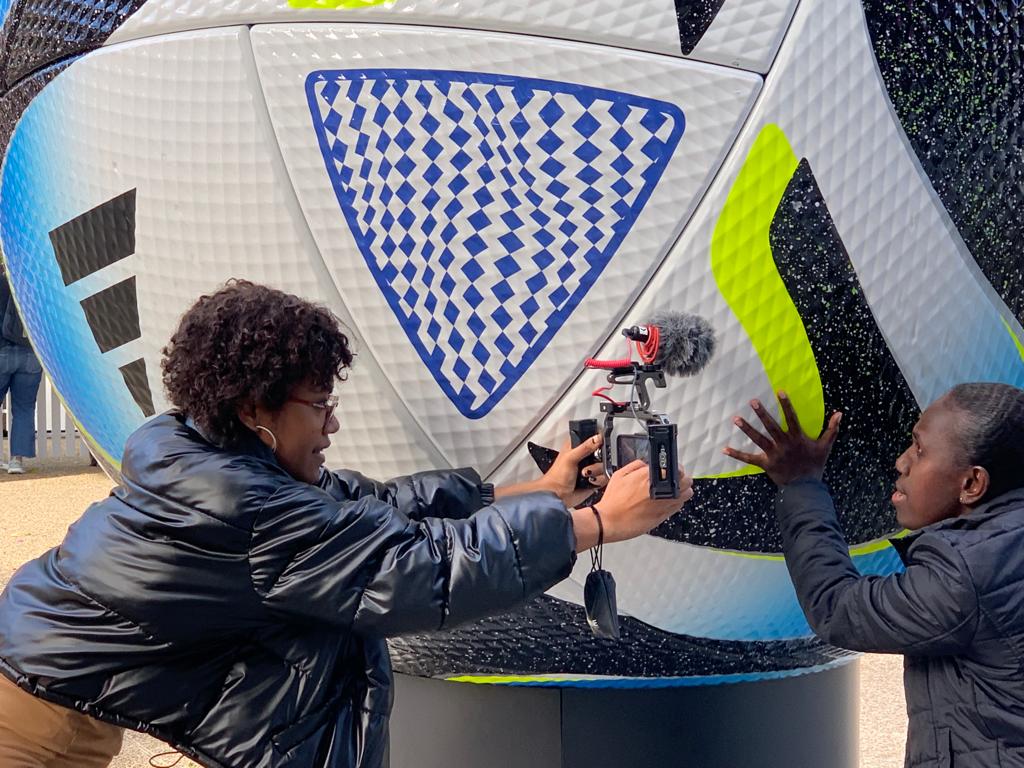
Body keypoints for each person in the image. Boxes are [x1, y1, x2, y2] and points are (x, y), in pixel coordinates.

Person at [0, 279, 691, 768]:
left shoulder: (201, 453)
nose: (332, 425)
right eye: (319, 404)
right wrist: (598, 524)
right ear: (254, 409)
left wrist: (534, 490)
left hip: (45, 678)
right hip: (34, 720)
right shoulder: (248, 509)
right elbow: (422, 570)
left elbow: (367, 509)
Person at [724, 383, 1024, 768]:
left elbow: (837, 608)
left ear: (971, 484)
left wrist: (800, 485)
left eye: (920, 450)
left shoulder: (967, 572)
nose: (902, 462)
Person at [0, 262, 43, 475]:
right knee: (25, 409)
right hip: (31, 355)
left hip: (2, 352)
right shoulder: (34, 287)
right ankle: (17, 461)